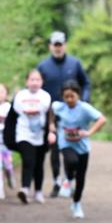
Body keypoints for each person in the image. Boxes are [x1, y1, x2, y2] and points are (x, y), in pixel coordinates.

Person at [36, 31, 91, 199]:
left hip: (72, 114)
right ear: (50, 46)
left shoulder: (74, 64)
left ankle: (69, 180)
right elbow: (37, 88)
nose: (58, 48)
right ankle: (56, 182)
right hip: (51, 114)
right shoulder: (43, 66)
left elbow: (86, 83)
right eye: (55, 45)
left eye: (60, 45)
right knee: (54, 149)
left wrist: (85, 100)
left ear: (65, 45)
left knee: (70, 148)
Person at [47, 79, 106, 219]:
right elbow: (51, 110)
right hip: (65, 142)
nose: (69, 99)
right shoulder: (59, 106)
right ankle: (68, 180)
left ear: (78, 95)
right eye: (66, 96)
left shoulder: (85, 108)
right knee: (71, 160)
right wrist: (51, 125)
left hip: (82, 146)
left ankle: (76, 203)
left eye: (72, 96)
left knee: (81, 177)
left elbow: (102, 119)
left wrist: (89, 132)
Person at [3, 69, 52, 204]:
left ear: (42, 82)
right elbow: (12, 117)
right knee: (28, 160)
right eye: (32, 79)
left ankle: (38, 191)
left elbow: (50, 117)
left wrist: (52, 133)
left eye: (37, 80)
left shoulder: (46, 97)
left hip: (41, 135)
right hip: (23, 133)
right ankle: (24, 189)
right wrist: (8, 137)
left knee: (39, 164)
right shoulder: (19, 97)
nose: (34, 82)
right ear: (26, 81)